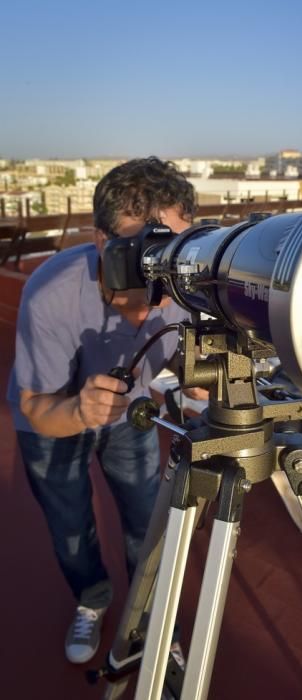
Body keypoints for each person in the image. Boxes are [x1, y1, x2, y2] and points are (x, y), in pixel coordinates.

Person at [7, 156, 205, 664]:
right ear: (101, 242)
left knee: (147, 522)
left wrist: (200, 374)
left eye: (173, 250)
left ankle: (154, 623)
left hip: (131, 415)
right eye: (145, 252)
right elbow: (35, 406)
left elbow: (187, 364)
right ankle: (92, 600)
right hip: (55, 417)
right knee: (70, 523)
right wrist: (79, 409)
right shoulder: (50, 295)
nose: (162, 274)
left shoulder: (182, 286)